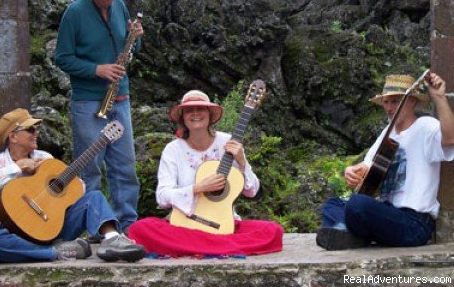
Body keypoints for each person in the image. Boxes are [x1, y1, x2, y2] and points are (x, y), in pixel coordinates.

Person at [0, 108, 145, 263]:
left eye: (36, 129)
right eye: (31, 129)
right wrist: (18, 167)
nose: (36, 133)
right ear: (13, 136)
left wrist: (66, 181)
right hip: (14, 232)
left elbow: (79, 189)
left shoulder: (45, 158)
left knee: (94, 197)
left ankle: (113, 239)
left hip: (51, 228)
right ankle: (55, 252)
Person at [127, 90, 283, 257]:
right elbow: (162, 197)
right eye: (189, 110)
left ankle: (198, 247)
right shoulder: (172, 150)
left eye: (200, 108)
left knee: (273, 230)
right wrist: (197, 188)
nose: (195, 114)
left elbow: (251, 191)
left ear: (209, 114)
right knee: (140, 228)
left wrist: (242, 162)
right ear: (183, 118)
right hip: (185, 225)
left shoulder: (229, 142)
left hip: (223, 224)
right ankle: (221, 247)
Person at [316, 72, 454, 250]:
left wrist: (439, 98)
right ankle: (352, 235)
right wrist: (352, 171)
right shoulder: (387, 133)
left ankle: (348, 232)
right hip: (387, 213)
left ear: (411, 101)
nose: (389, 107)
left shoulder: (426, 126)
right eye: (386, 102)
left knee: (357, 204)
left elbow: (450, 139)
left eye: (396, 101)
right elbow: (366, 169)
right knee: (332, 204)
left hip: (413, 223)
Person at [54, 0, 142, 232]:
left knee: (125, 166)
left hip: (120, 97)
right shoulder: (74, 13)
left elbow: (128, 51)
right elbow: (62, 58)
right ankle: (93, 228)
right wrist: (97, 70)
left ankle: (127, 226)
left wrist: (135, 38)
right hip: (89, 100)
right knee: (89, 167)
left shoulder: (119, 6)